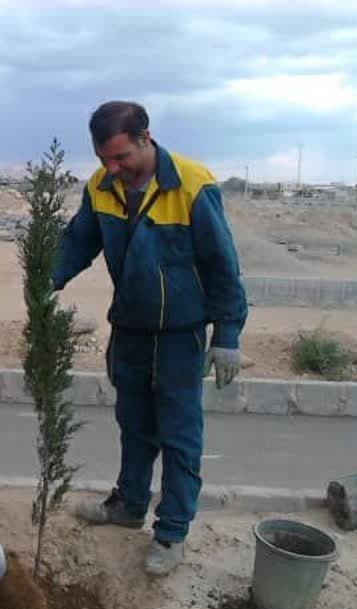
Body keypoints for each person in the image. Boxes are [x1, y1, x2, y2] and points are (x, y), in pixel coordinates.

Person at [52, 101, 248, 575]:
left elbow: (222, 263)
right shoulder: (101, 187)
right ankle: (129, 505)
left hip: (180, 337)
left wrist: (228, 331)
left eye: (121, 158)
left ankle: (172, 532)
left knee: (180, 438)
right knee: (135, 427)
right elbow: (80, 240)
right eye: (104, 160)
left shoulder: (192, 185)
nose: (113, 169)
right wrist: (48, 277)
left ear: (145, 138)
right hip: (131, 330)